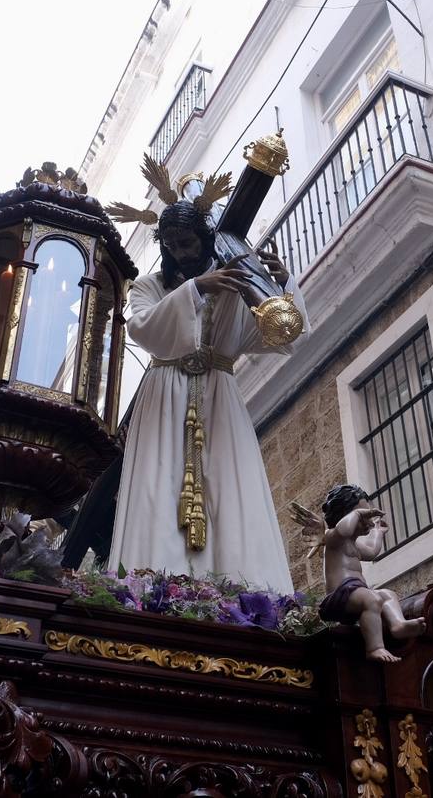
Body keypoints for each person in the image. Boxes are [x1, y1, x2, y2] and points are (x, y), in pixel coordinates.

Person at [106, 166, 305, 592]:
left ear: (205, 237)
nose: (180, 252)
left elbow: (281, 334)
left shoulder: (236, 284)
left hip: (220, 393)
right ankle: (155, 588)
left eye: (188, 242)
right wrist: (196, 288)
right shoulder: (149, 286)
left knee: (232, 486)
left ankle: (240, 589)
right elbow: (143, 328)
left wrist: (283, 286)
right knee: (157, 484)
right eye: (172, 245)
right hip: (164, 394)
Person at [294, 484, 425, 662]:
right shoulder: (333, 537)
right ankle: (375, 648)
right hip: (339, 597)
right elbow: (345, 529)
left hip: (356, 593)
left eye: (367, 515)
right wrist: (357, 514)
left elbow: (372, 551)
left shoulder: (354, 545)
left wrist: (378, 532)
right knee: (371, 598)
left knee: (387, 594)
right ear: (344, 516)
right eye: (363, 516)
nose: (367, 521)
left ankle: (398, 625)